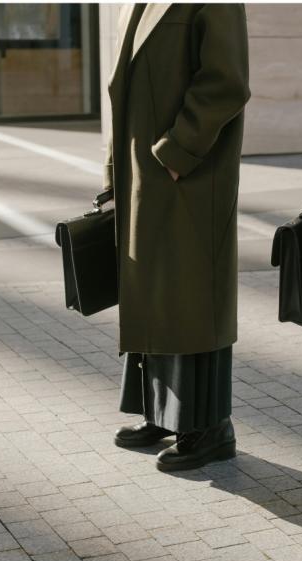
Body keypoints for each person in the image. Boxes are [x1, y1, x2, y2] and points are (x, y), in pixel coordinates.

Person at [102, 4, 250, 471]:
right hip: (144, 175)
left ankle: (209, 428)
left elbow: (227, 81)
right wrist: (113, 170)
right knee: (154, 293)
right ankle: (160, 413)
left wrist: (177, 150)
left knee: (190, 299)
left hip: (188, 174)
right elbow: (122, 93)